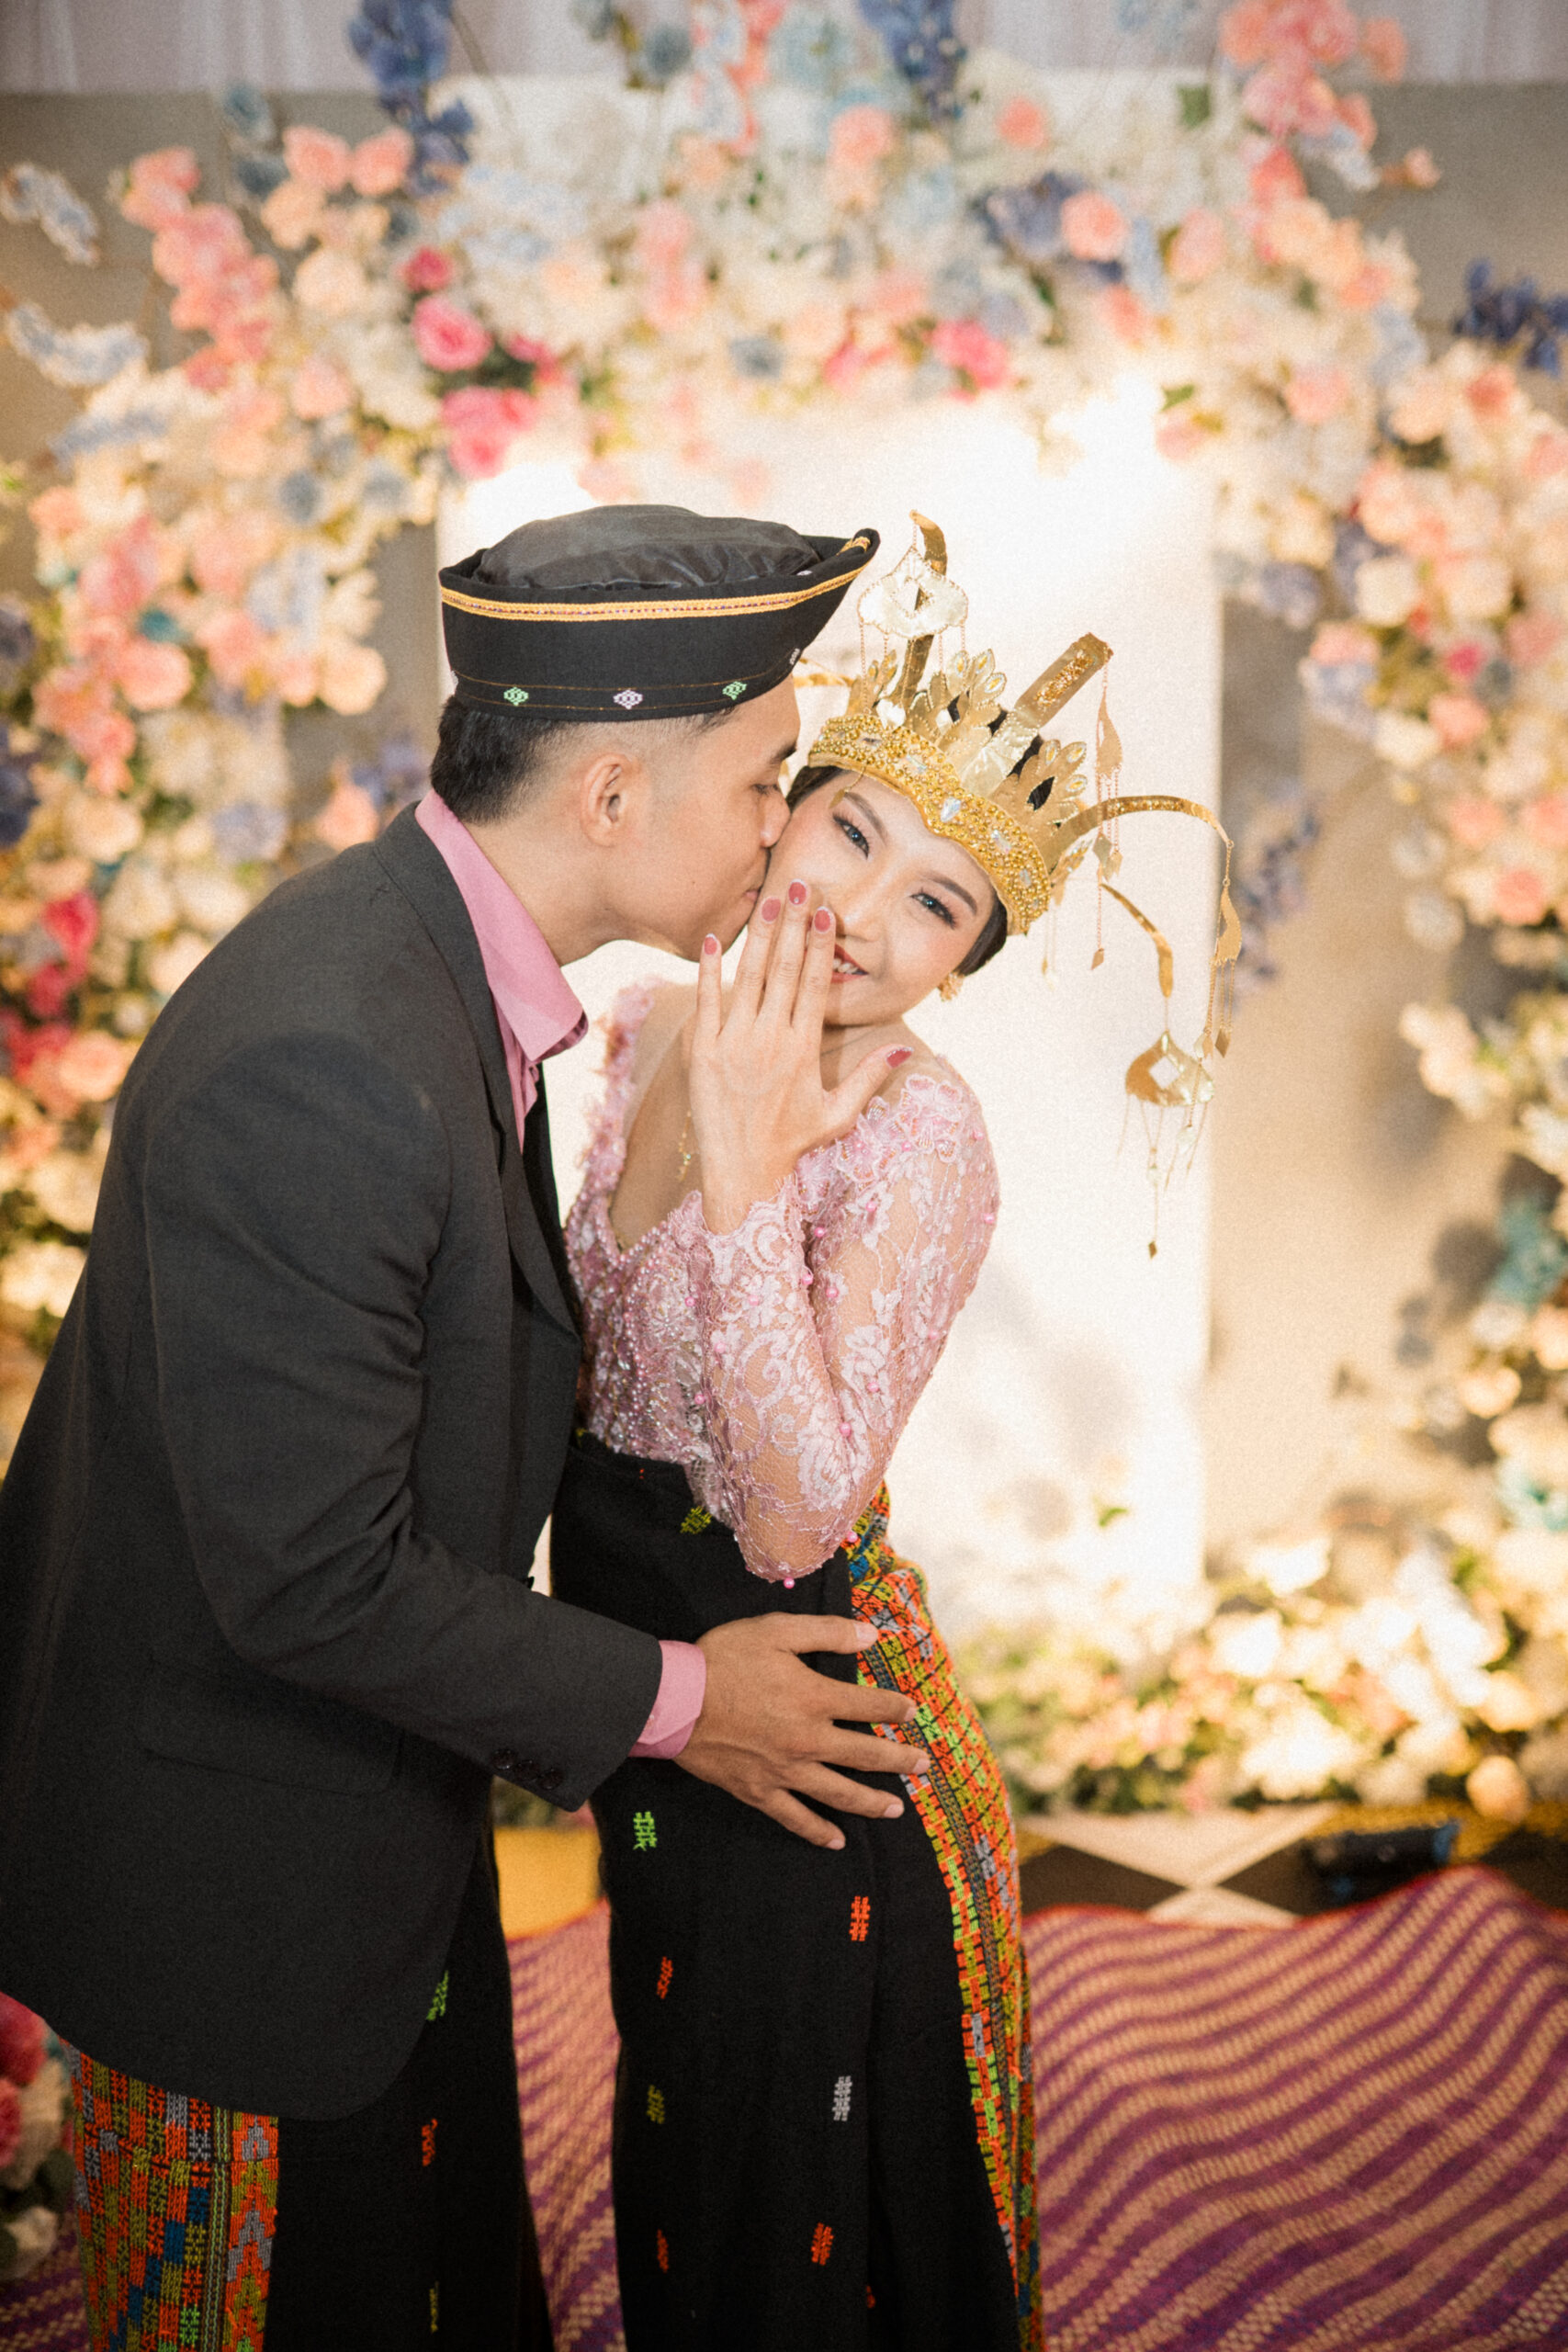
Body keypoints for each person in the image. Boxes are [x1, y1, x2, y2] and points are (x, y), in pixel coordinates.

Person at [0, 506, 939, 2351]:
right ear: (612, 794)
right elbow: (312, 1578)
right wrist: (690, 1697)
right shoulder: (331, 1056)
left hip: (360, 1818)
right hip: (234, 1886)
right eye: (767, 784)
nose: (783, 840)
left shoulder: (425, 963)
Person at [551, 518, 1233, 2350]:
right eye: (852, 831)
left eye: (935, 902)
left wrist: (754, 1167)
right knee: (681, 2146)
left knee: (791, 2210)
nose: (859, 911)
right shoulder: (638, 1028)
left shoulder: (920, 1137)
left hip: (818, 1737)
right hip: (650, 1700)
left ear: (957, 966)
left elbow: (791, 1516)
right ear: (781, 810)